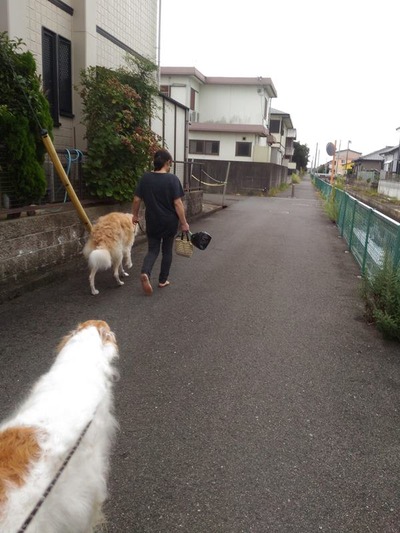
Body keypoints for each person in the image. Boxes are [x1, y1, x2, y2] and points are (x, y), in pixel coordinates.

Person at [132, 148, 190, 296]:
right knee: (167, 250)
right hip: (169, 222)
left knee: (153, 250)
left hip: (152, 221)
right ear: (168, 162)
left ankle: (145, 272)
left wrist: (135, 216)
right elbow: (177, 203)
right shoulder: (172, 179)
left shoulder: (145, 178)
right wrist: (184, 223)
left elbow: (137, 199)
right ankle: (163, 280)